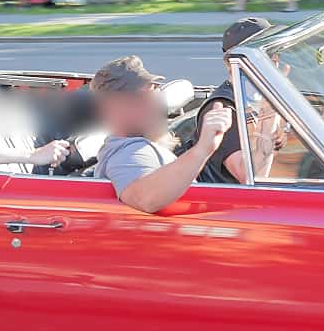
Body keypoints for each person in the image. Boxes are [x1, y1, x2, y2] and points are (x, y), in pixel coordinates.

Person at [92, 55, 233, 214]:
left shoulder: (143, 145)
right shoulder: (128, 153)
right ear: (114, 110)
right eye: (141, 98)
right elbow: (146, 199)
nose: (155, 103)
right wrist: (203, 148)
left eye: (154, 91)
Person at [182, 17, 279, 184]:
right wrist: (271, 112)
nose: (277, 58)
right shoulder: (224, 109)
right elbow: (250, 177)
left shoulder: (259, 95)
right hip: (244, 206)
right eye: (269, 52)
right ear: (243, 61)